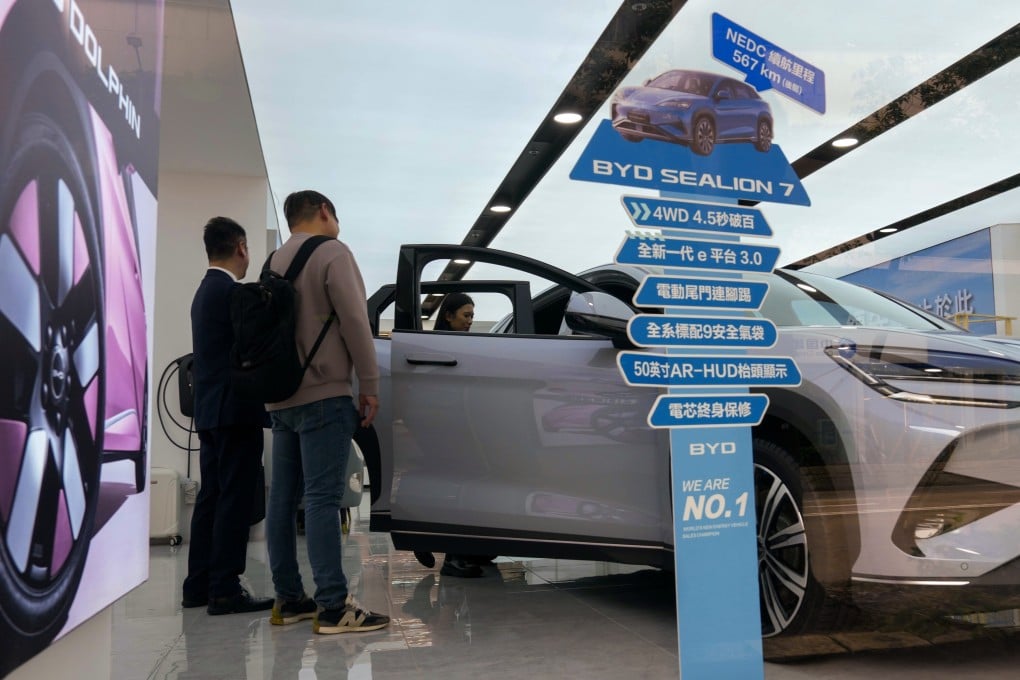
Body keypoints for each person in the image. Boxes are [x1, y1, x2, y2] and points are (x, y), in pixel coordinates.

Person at [265, 190, 389, 634]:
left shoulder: (273, 261)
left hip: (280, 398)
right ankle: (334, 607)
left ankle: (289, 598)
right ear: (324, 212)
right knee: (322, 498)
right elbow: (355, 319)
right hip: (324, 393)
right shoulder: (333, 251)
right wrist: (369, 384)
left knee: (281, 500)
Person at [182, 216, 274, 615]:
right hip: (236, 411)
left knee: (211, 497)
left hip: (210, 412)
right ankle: (224, 588)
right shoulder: (231, 293)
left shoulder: (205, 291)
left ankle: (198, 586)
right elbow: (252, 347)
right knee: (235, 499)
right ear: (241, 247)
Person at [430, 293, 497, 578]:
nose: (470, 321)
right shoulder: (441, 347)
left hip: (457, 426)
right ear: (448, 316)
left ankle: (466, 550)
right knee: (458, 486)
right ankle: (453, 556)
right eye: (465, 315)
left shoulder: (454, 345)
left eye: (471, 315)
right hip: (448, 428)